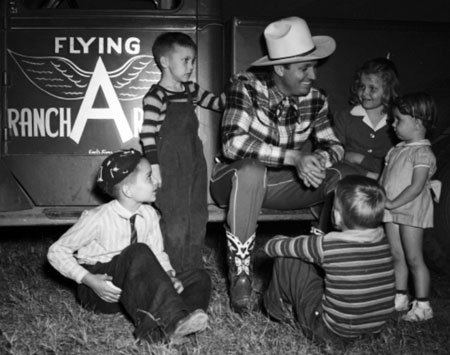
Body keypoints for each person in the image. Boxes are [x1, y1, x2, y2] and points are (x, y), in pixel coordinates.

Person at [210, 16, 344, 312]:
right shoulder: (246, 87)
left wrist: (318, 160)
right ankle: (241, 275)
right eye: (304, 68)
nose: (313, 75)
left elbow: (334, 144)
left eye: (314, 66)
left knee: (338, 177)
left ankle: (317, 261)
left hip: (278, 184)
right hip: (232, 181)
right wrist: (294, 157)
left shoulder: (316, 99)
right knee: (251, 169)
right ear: (280, 68)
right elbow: (233, 145)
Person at [47, 149, 212, 344]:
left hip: (136, 290)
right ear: (128, 190)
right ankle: (168, 323)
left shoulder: (149, 214)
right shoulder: (97, 218)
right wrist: (89, 279)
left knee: (199, 276)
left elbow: (158, 253)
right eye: (149, 177)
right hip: (102, 289)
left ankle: (181, 323)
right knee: (138, 251)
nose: (156, 182)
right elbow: (56, 251)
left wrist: (169, 275)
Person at [263, 175, 395, 344]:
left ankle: (276, 312)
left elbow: (272, 248)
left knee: (288, 259)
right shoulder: (382, 239)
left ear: (337, 216)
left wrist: (278, 240)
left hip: (332, 333)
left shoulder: (329, 245)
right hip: (373, 331)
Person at [140, 32, 225, 272]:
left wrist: (237, 90)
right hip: (169, 163)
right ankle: (173, 266)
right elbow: (147, 134)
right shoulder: (156, 96)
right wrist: (154, 166)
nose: (190, 66)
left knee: (197, 212)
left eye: (193, 61)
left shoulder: (191, 90)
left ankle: (193, 264)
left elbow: (218, 103)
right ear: (165, 62)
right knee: (175, 216)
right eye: (185, 60)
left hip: (194, 160)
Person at [380, 92, 439, 321]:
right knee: (396, 254)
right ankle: (399, 296)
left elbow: (416, 186)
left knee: (414, 257)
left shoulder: (422, 152)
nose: (393, 125)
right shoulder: (395, 150)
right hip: (390, 208)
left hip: (411, 210)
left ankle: (423, 306)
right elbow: (384, 180)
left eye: (398, 120)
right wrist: (380, 198)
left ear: (417, 123)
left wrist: (393, 202)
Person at [333, 57, 399, 180]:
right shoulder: (345, 116)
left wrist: (360, 159)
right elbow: (335, 155)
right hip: (348, 179)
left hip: (387, 180)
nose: (364, 93)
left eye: (372, 88)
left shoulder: (397, 121)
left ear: (388, 91)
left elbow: (396, 163)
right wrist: (369, 175)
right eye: (362, 87)